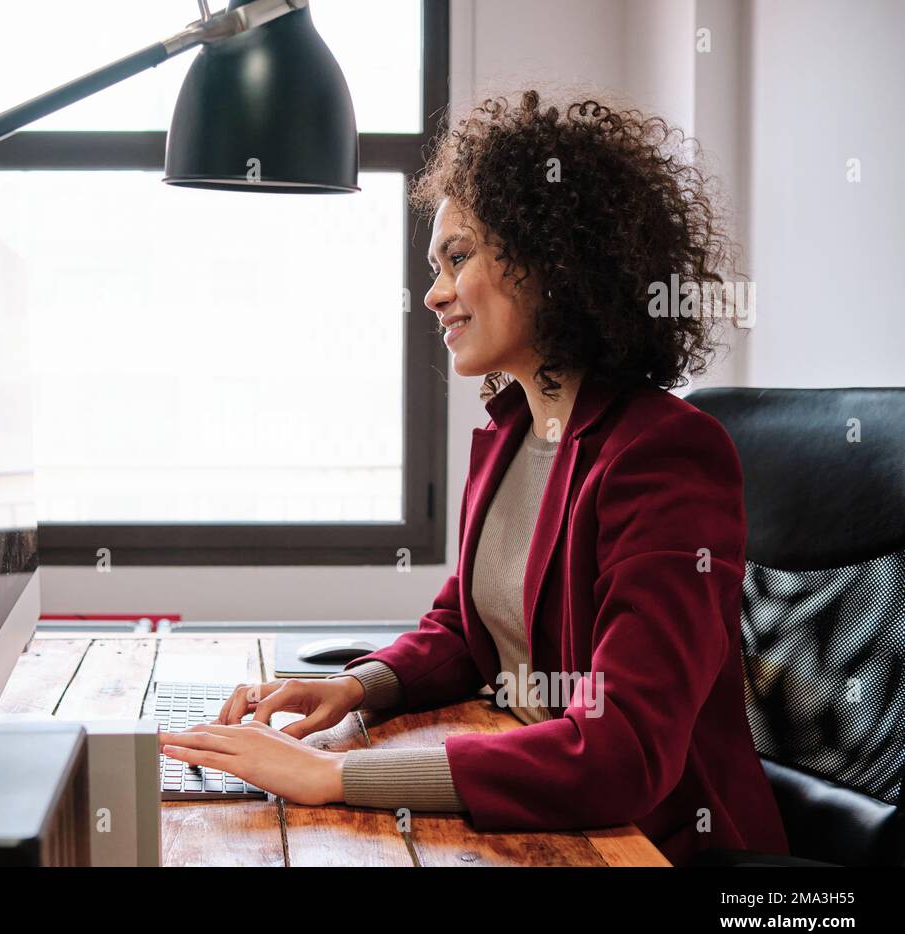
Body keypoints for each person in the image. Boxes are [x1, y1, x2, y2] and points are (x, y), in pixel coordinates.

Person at [159, 92, 789, 866]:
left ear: (550, 258)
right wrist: (356, 691)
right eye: (435, 267)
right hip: (530, 808)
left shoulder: (663, 455)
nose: (434, 293)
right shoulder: (510, 433)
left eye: (459, 258)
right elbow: (466, 630)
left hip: (647, 846)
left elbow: (623, 751)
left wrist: (337, 775)